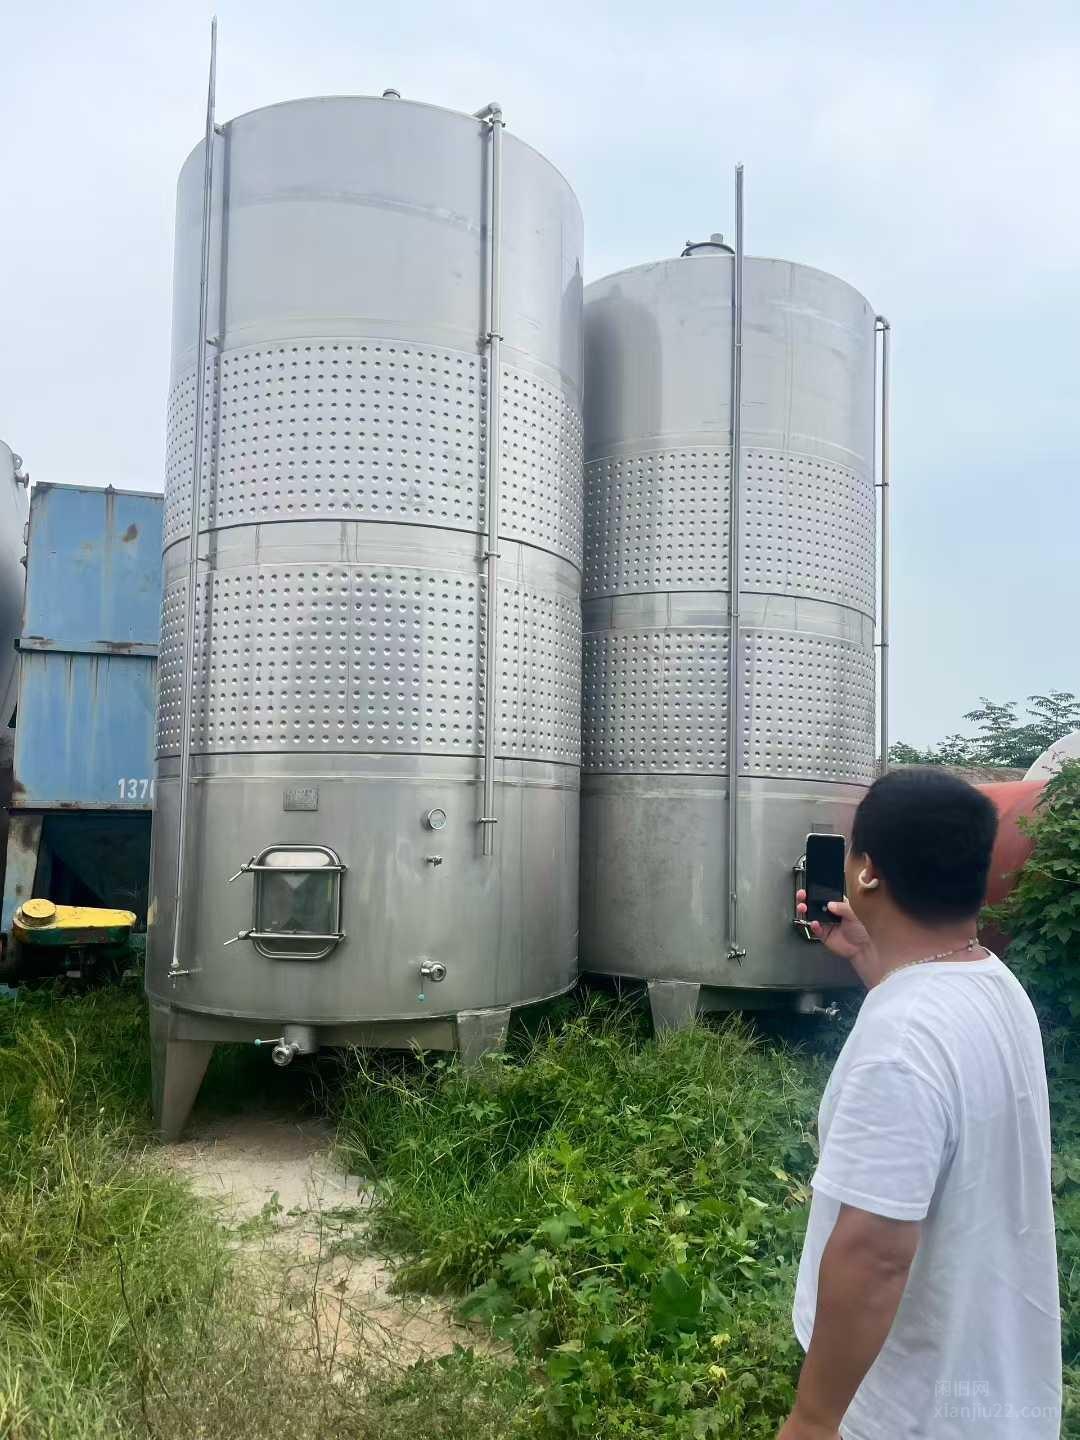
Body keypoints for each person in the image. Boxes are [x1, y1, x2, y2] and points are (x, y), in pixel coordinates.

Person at [777, 767, 1061, 1440]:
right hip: (994, 1382)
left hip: (910, 1410)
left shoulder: (899, 1046)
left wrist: (814, 1419)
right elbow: (931, 1031)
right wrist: (866, 955)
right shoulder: (992, 982)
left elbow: (876, 1254)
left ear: (868, 871)